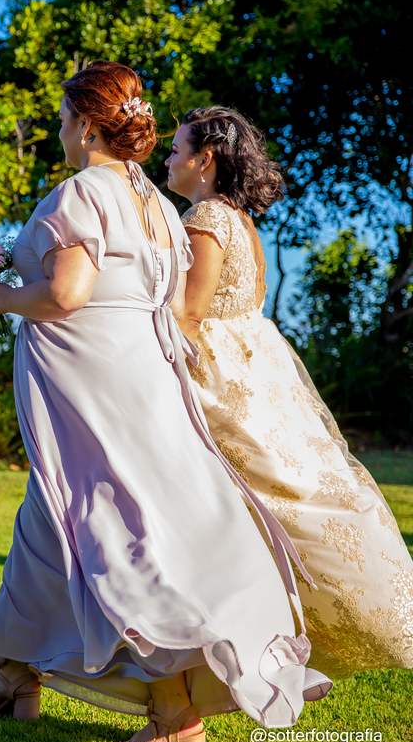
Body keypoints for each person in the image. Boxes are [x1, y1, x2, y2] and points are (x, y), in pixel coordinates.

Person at [0, 61, 329, 742]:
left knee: (105, 521)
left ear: (89, 125)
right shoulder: (158, 204)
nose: (62, 131)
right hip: (140, 371)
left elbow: (68, 294)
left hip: (89, 379)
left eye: (67, 119)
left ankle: (169, 705)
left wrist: (1, 296)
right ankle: (16, 673)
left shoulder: (77, 192)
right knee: (54, 515)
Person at [166, 106, 413, 678]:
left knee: (251, 504)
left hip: (221, 377)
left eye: (177, 150)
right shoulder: (241, 220)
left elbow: (190, 314)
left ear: (204, 160)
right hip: (259, 374)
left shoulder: (203, 216)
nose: (169, 160)